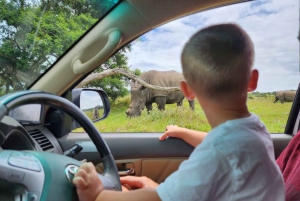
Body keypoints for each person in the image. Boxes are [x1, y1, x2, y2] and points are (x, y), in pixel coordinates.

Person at [72, 23, 285, 201]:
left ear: (186, 91)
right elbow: (225, 141)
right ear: (253, 80)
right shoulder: (256, 129)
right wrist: (181, 131)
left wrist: (97, 194)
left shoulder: (215, 154)